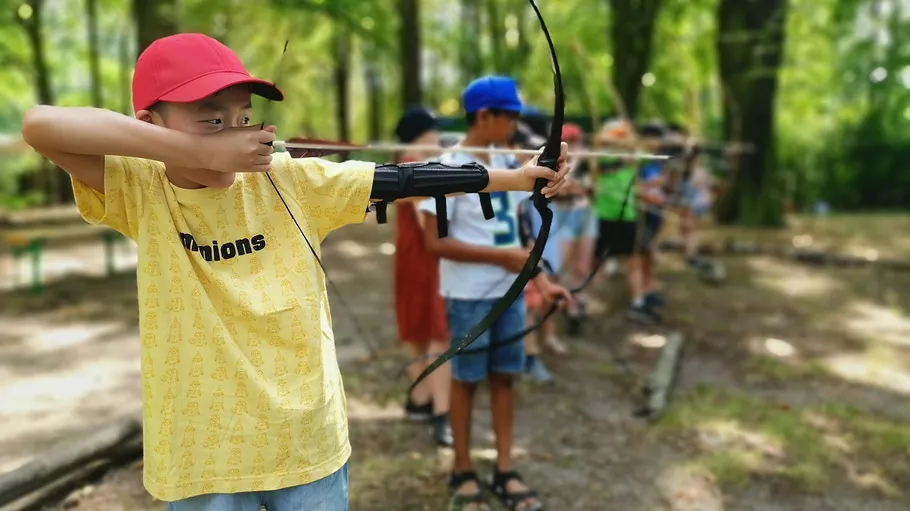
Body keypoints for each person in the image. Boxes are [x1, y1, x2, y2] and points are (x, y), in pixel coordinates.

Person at [19, 34, 569, 511]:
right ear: (151, 126)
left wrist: (519, 179)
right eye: (210, 119)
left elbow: (402, 180)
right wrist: (190, 150)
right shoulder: (141, 188)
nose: (235, 133)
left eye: (242, 118)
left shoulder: (290, 179)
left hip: (307, 441)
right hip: (202, 454)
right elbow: (41, 125)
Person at [419, 75, 571, 511]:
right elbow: (435, 243)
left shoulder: (511, 163)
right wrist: (499, 259)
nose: (515, 125)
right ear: (484, 115)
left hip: (512, 292)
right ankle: (462, 468)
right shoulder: (446, 166)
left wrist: (543, 280)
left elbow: (520, 234)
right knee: (466, 383)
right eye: (510, 116)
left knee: (505, 378)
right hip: (469, 296)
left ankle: (505, 467)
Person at [393, 106, 453, 447]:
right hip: (427, 256)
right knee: (437, 331)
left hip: (411, 256)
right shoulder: (416, 164)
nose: (438, 138)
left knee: (418, 326)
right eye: (433, 131)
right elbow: (425, 219)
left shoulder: (405, 161)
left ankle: (420, 399)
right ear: (421, 134)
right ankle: (443, 413)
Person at [590, 120, 660, 324]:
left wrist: (630, 143)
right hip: (603, 214)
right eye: (616, 135)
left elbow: (651, 151)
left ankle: (638, 302)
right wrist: (615, 143)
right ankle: (588, 300)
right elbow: (599, 152)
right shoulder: (600, 156)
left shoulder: (634, 155)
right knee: (594, 261)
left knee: (633, 260)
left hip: (627, 215)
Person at [553, 123, 598, 333]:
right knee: (562, 264)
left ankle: (577, 301)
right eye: (567, 141)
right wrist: (568, 188)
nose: (572, 145)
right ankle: (567, 306)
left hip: (585, 213)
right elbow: (556, 191)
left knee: (582, 265)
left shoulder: (588, 161)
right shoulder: (553, 161)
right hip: (564, 215)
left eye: (575, 140)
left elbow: (592, 186)